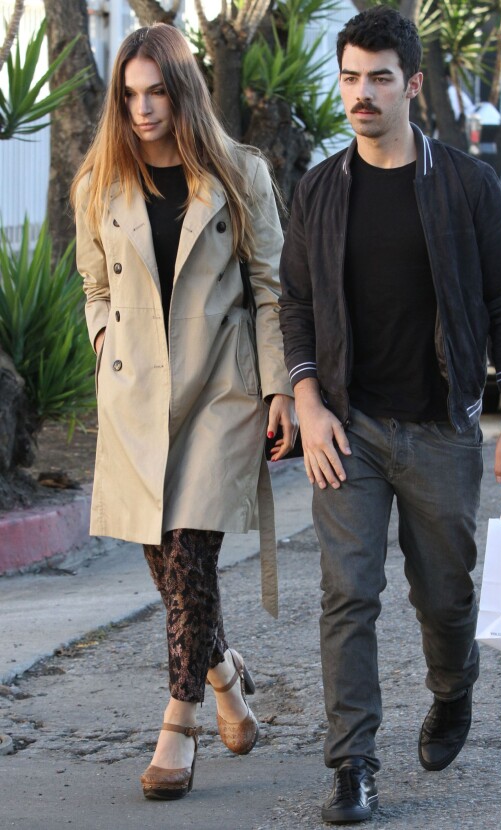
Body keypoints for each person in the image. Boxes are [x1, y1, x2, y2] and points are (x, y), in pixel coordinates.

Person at [279, 7, 501, 824]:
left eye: (379, 78)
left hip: (440, 428)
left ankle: (453, 687)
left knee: (445, 596)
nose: (361, 93)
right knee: (348, 595)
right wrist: (307, 400)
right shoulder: (320, 190)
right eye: (350, 77)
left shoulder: (463, 182)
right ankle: (353, 764)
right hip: (348, 430)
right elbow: (295, 305)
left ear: (412, 85)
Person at [71, 23, 297, 803]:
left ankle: (179, 724)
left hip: (219, 389)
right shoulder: (99, 180)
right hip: (137, 394)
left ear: (183, 89)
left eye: (156, 91)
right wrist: (105, 342)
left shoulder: (239, 173)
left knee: (189, 549)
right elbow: (95, 286)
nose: (142, 108)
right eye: (129, 95)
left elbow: (271, 288)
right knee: (163, 562)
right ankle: (228, 677)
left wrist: (279, 391)